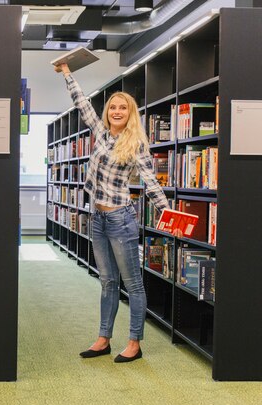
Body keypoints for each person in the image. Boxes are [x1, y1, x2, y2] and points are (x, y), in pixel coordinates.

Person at [55, 62, 173, 363]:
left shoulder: (136, 145)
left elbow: (150, 183)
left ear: (130, 113)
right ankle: (103, 339)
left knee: (132, 283)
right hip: (97, 218)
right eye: (112, 108)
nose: (116, 112)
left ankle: (134, 342)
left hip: (121, 219)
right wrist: (68, 73)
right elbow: (82, 104)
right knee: (107, 281)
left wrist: (169, 214)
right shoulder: (101, 133)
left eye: (122, 108)